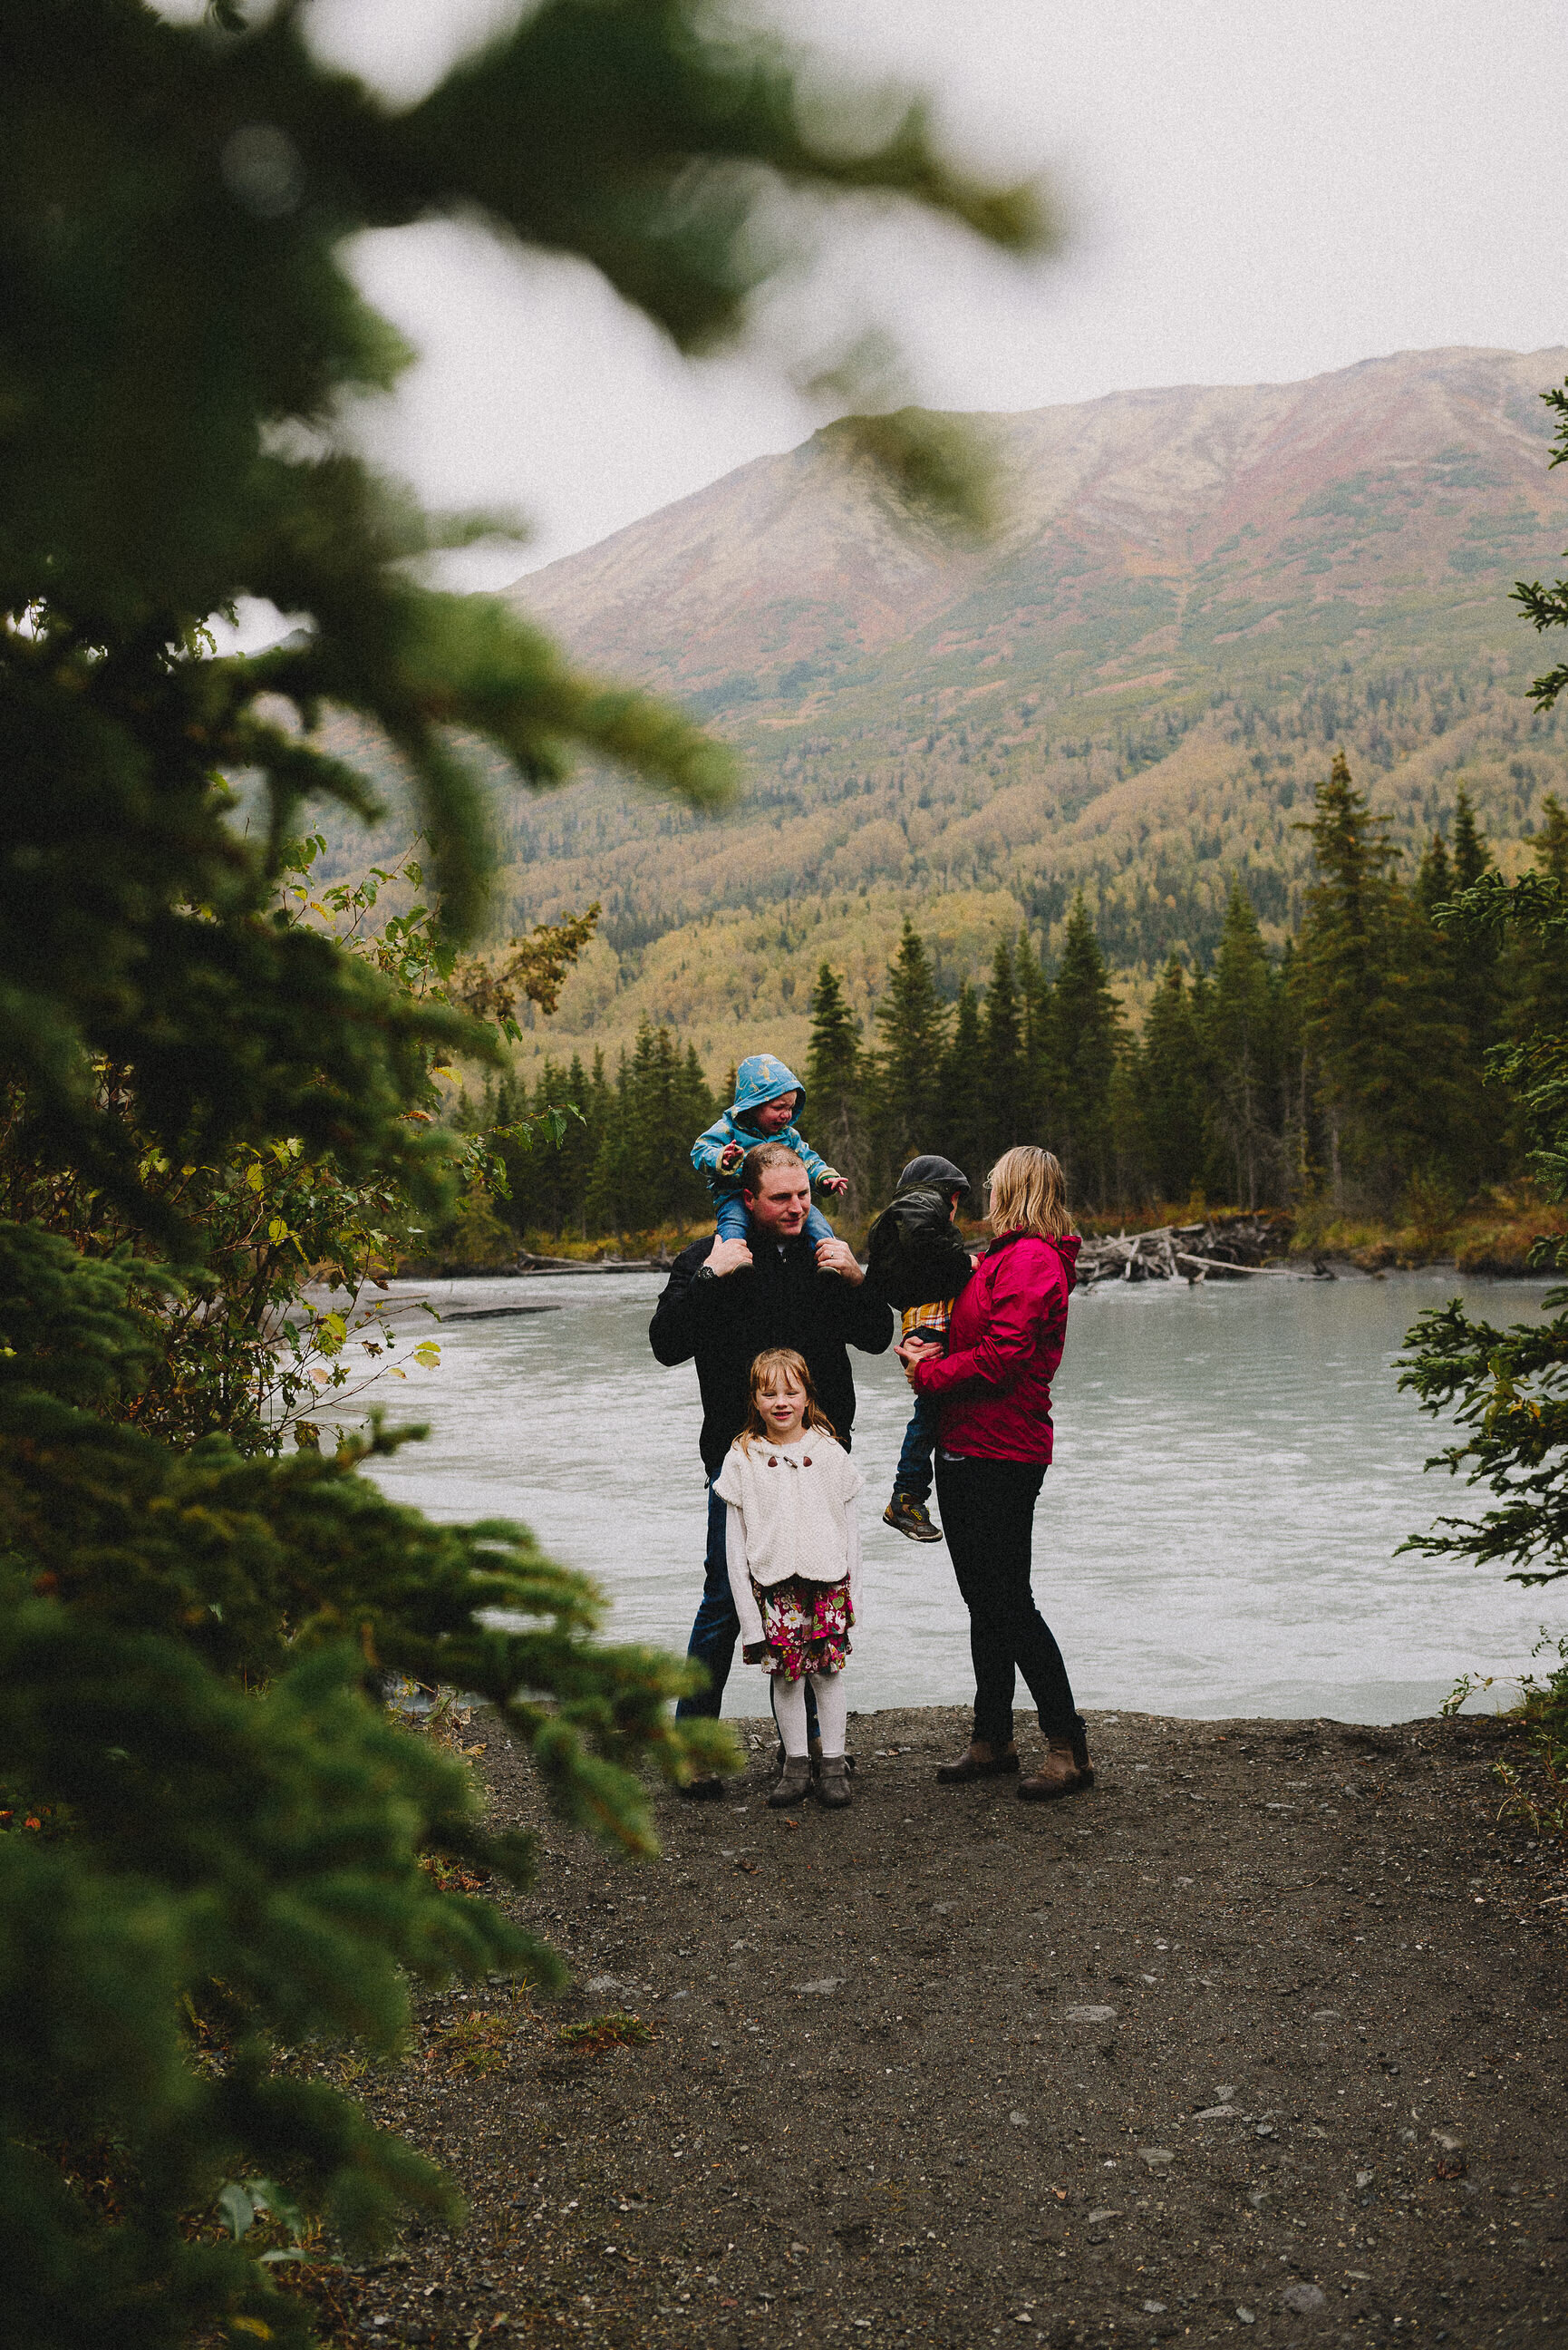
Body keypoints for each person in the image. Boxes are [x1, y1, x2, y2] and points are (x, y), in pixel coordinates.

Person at [649, 1140, 893, 1797]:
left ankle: (813, 1747)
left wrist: (856, 1276)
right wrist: (710, 1275)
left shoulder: (823, 1260)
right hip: (738, 1464)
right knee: (726, 1600)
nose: (796, 1207)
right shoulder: (712, 1258)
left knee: (814, 1591)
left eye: (804, 1196)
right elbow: (664, 1343)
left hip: (818, 1461)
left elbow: (876, 1337)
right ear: (748, 1199)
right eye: (782, 1198)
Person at [898, 1144, 1093, 1802]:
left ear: (1016, 1189)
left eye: (995, 1184)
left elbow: (1004, 1358)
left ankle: (1067, 1746)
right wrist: (927, 1344)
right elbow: (973, 1336)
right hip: (964, 1446)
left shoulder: (1034, 1260)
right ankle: (993, 1738)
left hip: (1003, 1451)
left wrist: (929, 1371)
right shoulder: (1003, 1259)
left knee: (1010, 1601)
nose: (986, 1192)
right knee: (984, 1600)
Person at [716, 1347, 862, 1810]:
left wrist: (854, 1594)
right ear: (756, 1401)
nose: (781, 1401)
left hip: (828, 1583)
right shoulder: (743, 1456)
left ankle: (833, 1764)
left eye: (790, 1392)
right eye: (769, 1393)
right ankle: (795, 1764)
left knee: (828, 1674)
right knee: (787, 1679)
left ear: (806, 1397)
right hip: (775, 1585)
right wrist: (748, 1616)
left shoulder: (830, 1452)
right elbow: (734, 1545)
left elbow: (852, 1532)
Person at [864, 1153, 974, 1543]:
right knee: (929, 1413)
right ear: (952, 1194)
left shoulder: (891, 1234)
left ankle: (912, 1494)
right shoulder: (921, 1207)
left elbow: (879, 1285)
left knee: (931, 1413)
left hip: (916, 1325)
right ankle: (907, 1496)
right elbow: (928, 1240)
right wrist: (966, 1264)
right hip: (931, 1331)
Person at [691, 1054, 847, 1247]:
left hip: (783, 1202)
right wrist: (722, 1157)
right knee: (733, 1225)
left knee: (817, 1222)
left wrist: (824, 1177)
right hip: (734, 1196)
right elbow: (700, 1150)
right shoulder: (728, 1129)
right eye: (779, 1107)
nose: (786, 1115)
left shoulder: (789, 1136)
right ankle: (735, 1259)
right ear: (754, 1104)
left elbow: (808, 1159)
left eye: (790, 1107)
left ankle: (828, 1257)